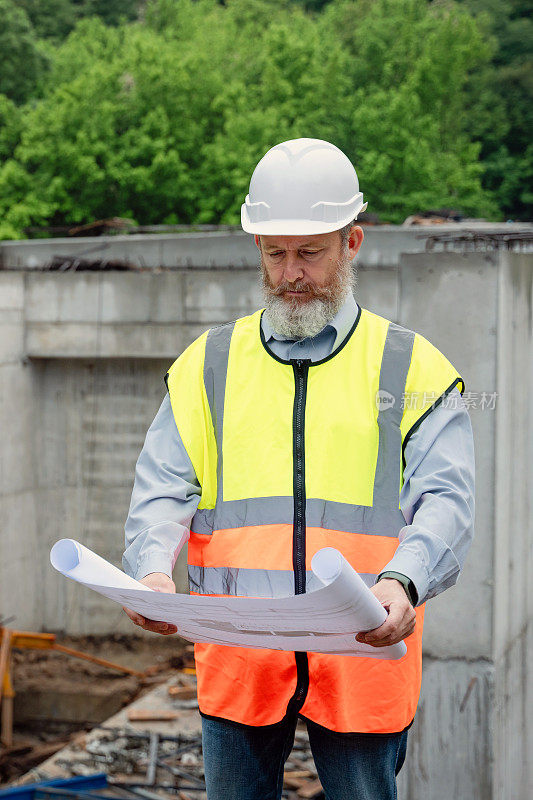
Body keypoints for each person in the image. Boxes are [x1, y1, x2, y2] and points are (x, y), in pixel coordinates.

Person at [122, 138, 475, 800]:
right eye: (274, 252)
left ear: (352, 243)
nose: (290, 272)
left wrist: (404, 582)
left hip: (364, 651)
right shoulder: (208, 363)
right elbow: (163, 489)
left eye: (309, 252)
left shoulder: (412, 367)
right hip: (239, 660)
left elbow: (446, 500)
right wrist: (148, 569)